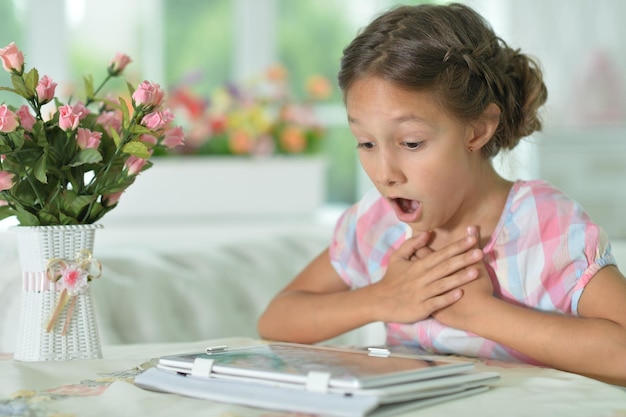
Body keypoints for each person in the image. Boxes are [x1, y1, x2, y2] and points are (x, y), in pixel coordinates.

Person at [257, 2, 626, 386]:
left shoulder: (545, 226)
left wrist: (480, 314)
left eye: (412, 143)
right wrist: (383, 298)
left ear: (478, 130)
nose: (385, 174)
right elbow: (277, 320)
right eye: (365, 143)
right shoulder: (376, 224)